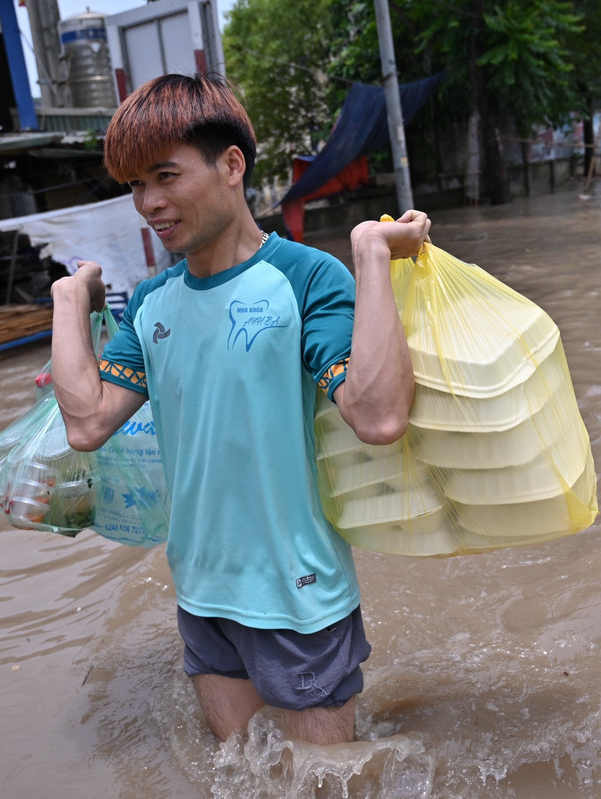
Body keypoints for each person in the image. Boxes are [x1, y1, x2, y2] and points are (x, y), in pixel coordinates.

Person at [48, 73, 430, 746]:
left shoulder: (305, 277)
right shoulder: (153, 302)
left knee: (327, 785)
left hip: (297, 594)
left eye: (166, 176)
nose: (149, 202)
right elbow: (87, 423)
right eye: (135, 184)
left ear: (231, 165)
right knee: (243, 776)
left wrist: (371, 255)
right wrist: (68, 300)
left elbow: (378, 417)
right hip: (201, 591)